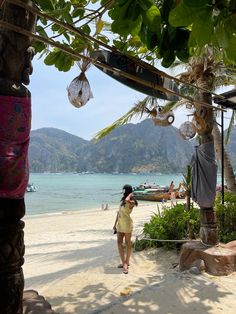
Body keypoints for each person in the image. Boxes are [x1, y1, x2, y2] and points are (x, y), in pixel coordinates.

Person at [113, 184, 138, 274]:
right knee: (119, 243)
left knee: (127, 243)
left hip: (127, 224)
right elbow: (118, 213)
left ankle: (126, 263)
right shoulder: (123, 201)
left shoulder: (131, 202)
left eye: (123, 190)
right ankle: (124, 262)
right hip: (120, 224)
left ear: (127, 191)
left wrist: (130, 194)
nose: (122, 192)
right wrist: (114, 224)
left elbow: (128, 200)